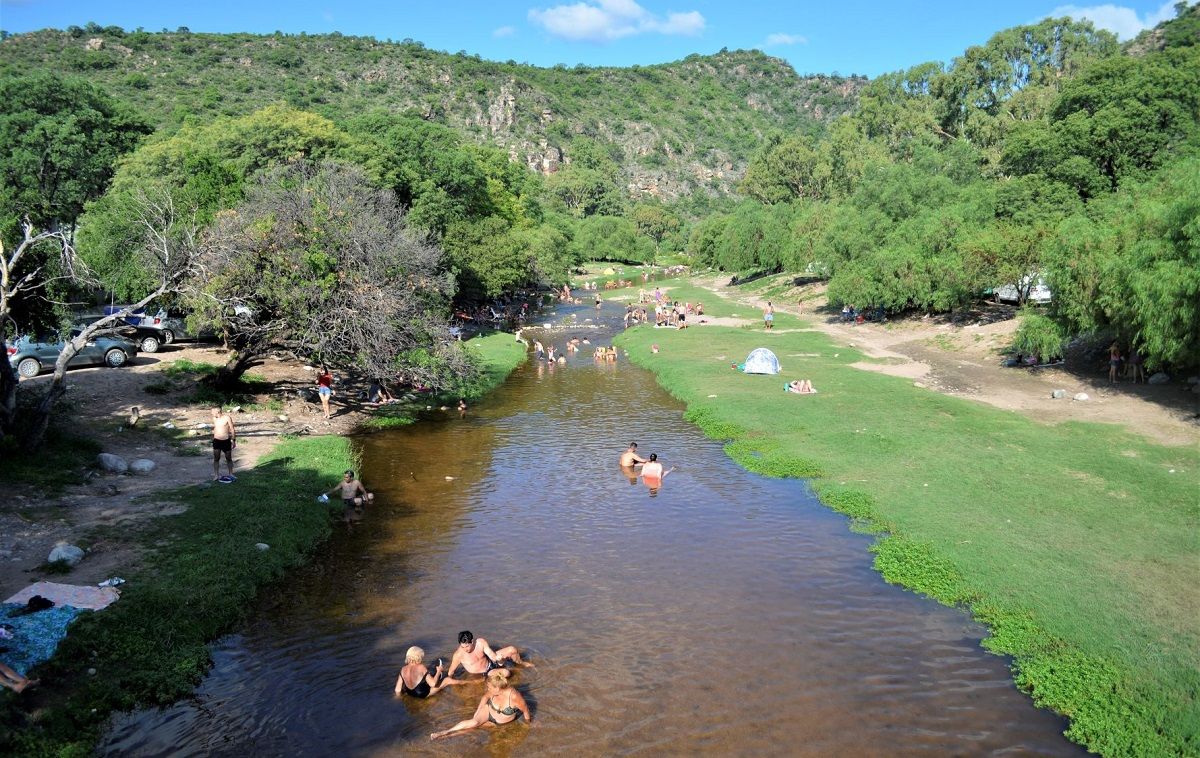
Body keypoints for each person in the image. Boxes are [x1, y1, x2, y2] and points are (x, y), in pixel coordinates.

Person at [430, 668, 531, 741]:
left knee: (473, 729)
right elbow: (485, 697)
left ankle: (449, 736)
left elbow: (525, 710)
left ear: (497, 688)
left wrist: (528, 725)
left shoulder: (514, 697)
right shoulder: (493, 691)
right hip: (488, 711)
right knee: (474, 723)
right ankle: (445, 732)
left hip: (499, 723)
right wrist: (477, 712)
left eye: (489, 687)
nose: (488, 689)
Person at [446, 630, 530, 677]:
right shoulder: (458, 655)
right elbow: (450, 672)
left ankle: (521, 663)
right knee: (506, 673)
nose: (465, 649)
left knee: (512, 649)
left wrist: (498, 659)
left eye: (467, 646)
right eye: (462, 646)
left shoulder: (480, 642)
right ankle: (504, 669)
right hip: (485, 673)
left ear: (472, 641)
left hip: (490, 661)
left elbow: (491, 655)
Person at [396, 646, 460, 699]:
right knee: (447, 680)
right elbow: (433, 684)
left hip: (410, 693)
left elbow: (397, 690)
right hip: (421, 694)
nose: (421, 659)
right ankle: (467, 682)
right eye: (421, 657)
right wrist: (439, 671)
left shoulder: (403, 669)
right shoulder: (421, 667)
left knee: (426, 677)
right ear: (418, 657)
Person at [211, 406, 236, 481]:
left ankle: (231, 474)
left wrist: (233, 440)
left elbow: (232, 429)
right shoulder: (214, 419)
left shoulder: (227, 418)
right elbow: (216, 427)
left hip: (226, 441)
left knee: (228, 458)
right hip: (216, 441)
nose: (211, 413)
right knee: (216, 458)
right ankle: (216, 475)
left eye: (212, 412)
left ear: (217, 412)